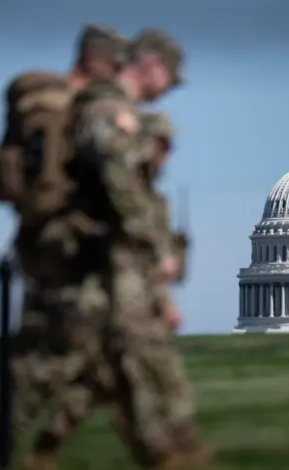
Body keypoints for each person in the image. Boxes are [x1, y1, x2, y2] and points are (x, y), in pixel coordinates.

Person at [22, 29, 205, 470]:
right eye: (162, 146)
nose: (167, 157)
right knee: (82, 367)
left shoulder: (148, 185)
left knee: (102, 376)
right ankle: (1, 449)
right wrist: (155, 252)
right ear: (153, 67)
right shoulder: (109, 116)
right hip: (102, 275)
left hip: (117, 279)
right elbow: (118, 194)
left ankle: (167, 450)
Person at [0, 24, 127, 470]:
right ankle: (11, 450)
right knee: (69, 353)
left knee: (36, 352)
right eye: (114, 65)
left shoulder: (30, 101)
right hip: (68, 246)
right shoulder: (74, 110)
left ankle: (6, 447)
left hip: (33, 239)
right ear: (98, 61)